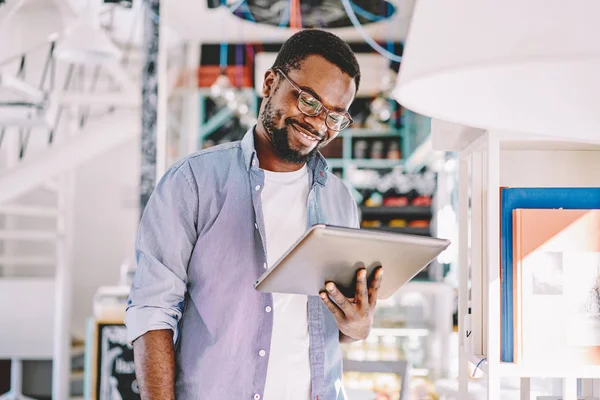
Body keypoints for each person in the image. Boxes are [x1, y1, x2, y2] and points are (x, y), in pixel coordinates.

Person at [125, 28, 384, 400]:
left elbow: (329, 327)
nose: (318, 124)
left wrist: (357, 327)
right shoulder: (194, 182)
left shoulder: (341, 201)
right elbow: (152, 312)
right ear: (270, 82)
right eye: (309, 102)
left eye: (335, 116)